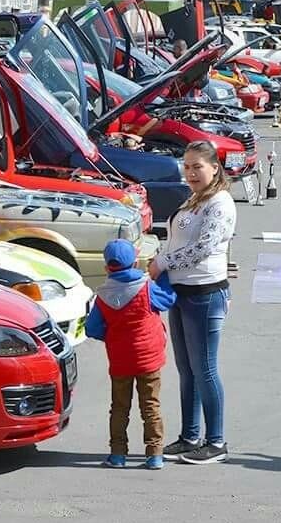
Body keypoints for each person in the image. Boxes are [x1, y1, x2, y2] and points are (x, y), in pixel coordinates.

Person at [148, 141, 235, 465]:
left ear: (214, 167)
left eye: (197, 166)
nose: (191, 173)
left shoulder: (221, 203)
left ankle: (216, 441)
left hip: (205, 293)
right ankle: (190, 435)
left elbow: (204, 247)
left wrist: (163, 262)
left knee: (205, 369)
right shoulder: (196, 198)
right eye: (186, 166)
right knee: (187, 370)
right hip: (181, 292)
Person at [86, 240, 176, 470]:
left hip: (120, 360)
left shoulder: (103, 296)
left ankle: (117, 454)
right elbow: (168, 299)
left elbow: (92, 328)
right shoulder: (146, 288)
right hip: (149, 359)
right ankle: (154, 454)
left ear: (107, 267)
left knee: (119, 407)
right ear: (135, 262)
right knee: (150, 406)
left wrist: (113, 335)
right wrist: (163, 275)